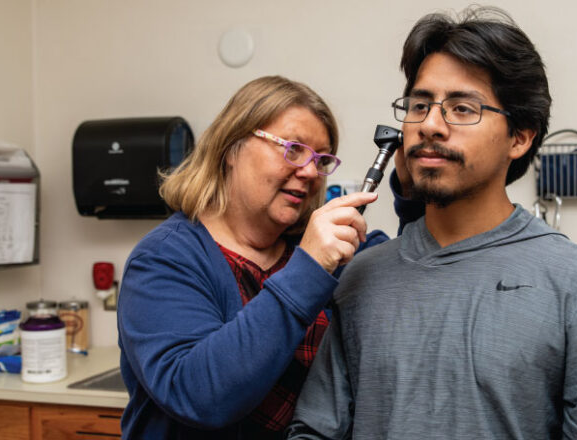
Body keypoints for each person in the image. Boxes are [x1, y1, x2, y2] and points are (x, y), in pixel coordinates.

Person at [287, 7, 577, 439]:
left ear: (520, 136)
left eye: (462, 108)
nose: (430, 125)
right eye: (420, 105)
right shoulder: (361, 278)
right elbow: (314, 431)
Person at [117, 76, 418, 439]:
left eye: (321, 159)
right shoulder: (165, 258)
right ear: (231, 148)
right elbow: (200, 396)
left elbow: (416, 273)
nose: (309, 172)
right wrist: (308, 268)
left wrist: (413, 194)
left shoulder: (330, 253)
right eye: (293, 149)